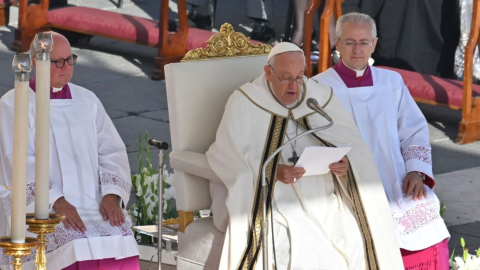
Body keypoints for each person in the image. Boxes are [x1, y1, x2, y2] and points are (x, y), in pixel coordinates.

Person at [206, 42, 403, 269]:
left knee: (352, 231)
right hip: (273, 196)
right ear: (268, 73)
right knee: (301, 237)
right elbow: (225, 155)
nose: (294, 86)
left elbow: (355, 148)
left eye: (300, 77)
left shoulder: (319, 97)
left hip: (324, 192)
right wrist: (272, 171)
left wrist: (345, 165)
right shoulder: (245, 101)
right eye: (286, 78)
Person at [313, 12, 451, 269]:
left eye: (364, 42)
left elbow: (414, 131)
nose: (357, 49)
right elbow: (312, 140)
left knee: (428, 237)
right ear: (337, 42)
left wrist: (416, 172)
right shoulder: (318, 88)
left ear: (374, 44)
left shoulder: (392, 82)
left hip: (396, 176)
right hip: (346, 182)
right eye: (350, 42)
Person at [0, 32, 139, 270]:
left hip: (95, 200)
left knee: (119, 236)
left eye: (70, 59)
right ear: (35, 61)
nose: (66, 67)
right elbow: (19, 161)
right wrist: (56, 202)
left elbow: (111, 151)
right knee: (73, 242)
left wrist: (111, 194)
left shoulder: (88, 100)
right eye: (57, 61)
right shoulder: (15, 103)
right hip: (48, 206)